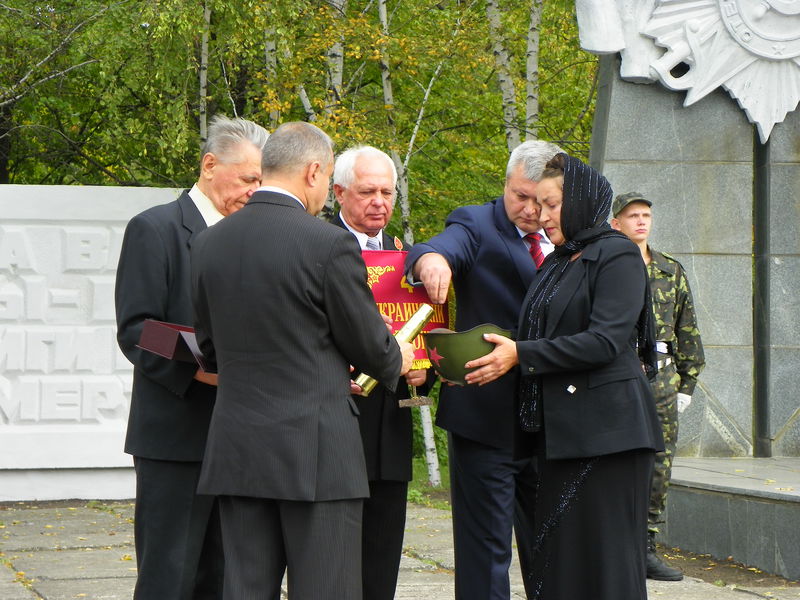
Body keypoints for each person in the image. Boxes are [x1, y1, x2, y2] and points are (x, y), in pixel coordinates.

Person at [190, 122, 415, 600]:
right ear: (315, 172)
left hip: (238, 449)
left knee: (246, 588)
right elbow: (371, 348)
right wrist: (402, 354)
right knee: (327, 588)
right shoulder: (329, 244)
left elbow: (210, 349)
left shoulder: (210, 241)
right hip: (317, 452)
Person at [466, 152, 664, 600]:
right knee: (561, 565)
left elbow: (605, 341)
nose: (541, 214)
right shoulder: (559, 261)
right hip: (562, 435)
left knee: (603, 563)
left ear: (580, 201)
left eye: (552, 204)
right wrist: (478, 359)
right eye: (537, 203)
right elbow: (535, 332)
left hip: (609, 438)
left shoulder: (617, 254)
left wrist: (521, 354)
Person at [115, 114, 269, 599]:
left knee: (228, 579)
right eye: (248, 178)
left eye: (262, 180)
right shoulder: (155, 228)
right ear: (209, 165)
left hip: (241, 437)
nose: (255, 190)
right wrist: (197, 369)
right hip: (176, 437)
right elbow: (136, 329)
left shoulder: (254, 236)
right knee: (170, 576)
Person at [404, 140, 561, 600]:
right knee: (485, 552)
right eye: (520, 196)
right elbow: (439, 248)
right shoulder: (477, 223)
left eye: (541, 199)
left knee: (551, 548)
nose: (531, 210)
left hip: (554, 419)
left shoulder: (571, 234)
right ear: (506, 184)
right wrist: (430, 260)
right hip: (485, 418)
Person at [331, 145, 428, 600]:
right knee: (331, 559)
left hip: (389, 428)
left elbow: (424, 335)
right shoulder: (315, 245)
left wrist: (421, 372)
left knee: (382, 556)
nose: (379, 202)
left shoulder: (408, 259)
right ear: (338, 193)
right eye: (367, 191)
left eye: (387, 192)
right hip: (335, 422)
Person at [611, 191, 706, 581]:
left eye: (646, 215)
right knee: (616, 459)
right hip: (618, 372)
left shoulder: (670, 269)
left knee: (659, 461)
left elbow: (687, 327)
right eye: (632, 215)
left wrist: (687, 383)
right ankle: (614, 542)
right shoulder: (607, 266)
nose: (640, 222)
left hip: (661, 376)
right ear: (615, 223)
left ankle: (646, 546)